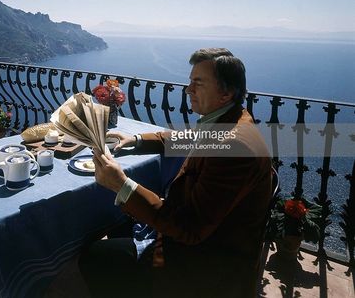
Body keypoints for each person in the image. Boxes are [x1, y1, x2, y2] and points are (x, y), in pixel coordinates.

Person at [79, 48, 272, 298]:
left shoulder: (232, 145)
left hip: (203, 267)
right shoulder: (231, 120)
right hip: (206, 240)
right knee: (123, 219)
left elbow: (188, 228)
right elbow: (186, 138)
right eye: (190, 81)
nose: (188, 89)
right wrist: (136, 139)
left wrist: (121, 185)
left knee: (93, 257)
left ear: (226, 93)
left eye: (198, 83)